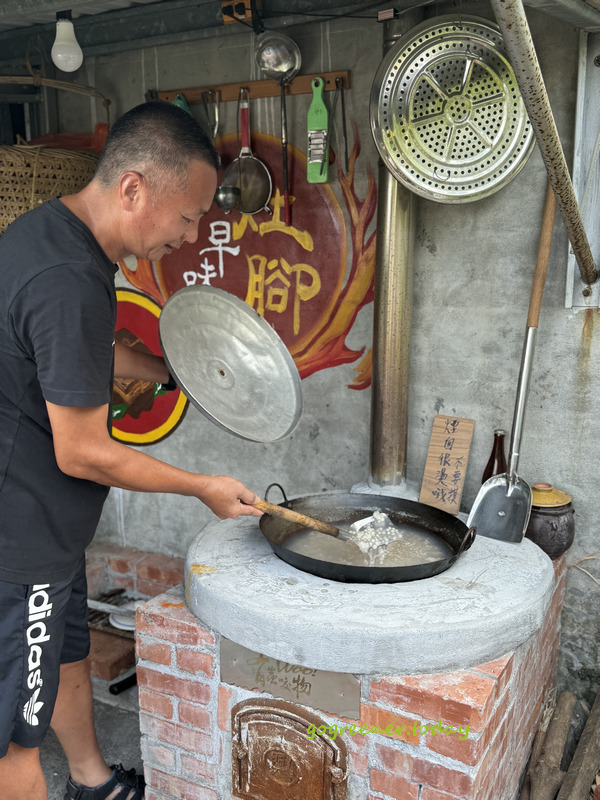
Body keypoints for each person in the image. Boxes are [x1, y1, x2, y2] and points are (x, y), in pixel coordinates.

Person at [0, 101, 262, 800]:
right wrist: (202, 484)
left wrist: (170, 371)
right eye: (188, 216)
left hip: (47, 532)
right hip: (16, 541)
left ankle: (91, 780)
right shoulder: (68, 280)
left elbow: (80, 353)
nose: (192, 233)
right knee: (13, 743)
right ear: (134, 188)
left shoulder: (51, 239)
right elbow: (82, 451)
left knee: (67, 654)